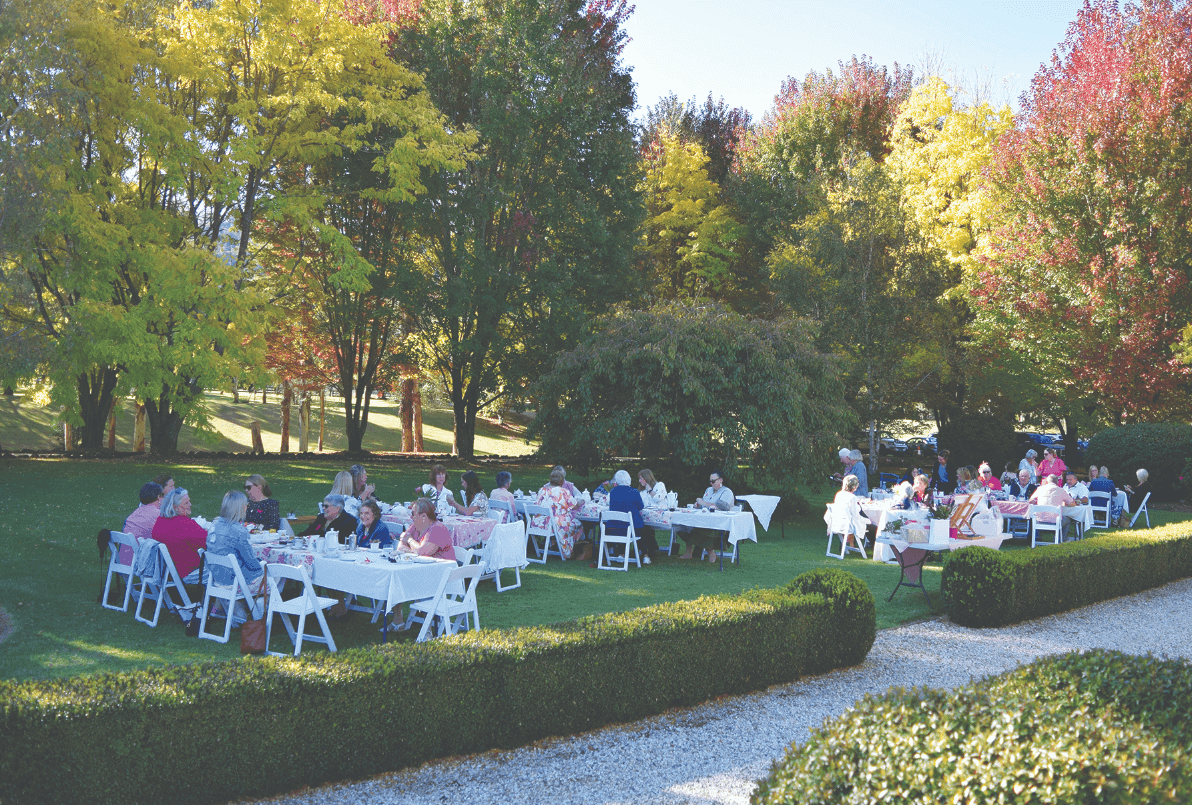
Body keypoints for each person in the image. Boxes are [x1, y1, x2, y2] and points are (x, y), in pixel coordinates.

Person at [205, 490, 264, 619]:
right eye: (246, 505)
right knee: (274, 576)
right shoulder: (239, 531)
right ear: (241, 507)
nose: (247, 508)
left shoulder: (214, 525)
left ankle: (221, 609)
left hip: (217, 579)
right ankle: (260, 615)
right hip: (234, 582)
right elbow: (251, 563)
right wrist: (262, 565)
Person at [150, 487, 207, 583]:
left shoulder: (160, 522)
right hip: (190, 572)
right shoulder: (184, 524)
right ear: (175, 507)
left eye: (189, 501)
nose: (190, 504)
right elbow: (207, 542)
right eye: (186, 503)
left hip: (167, 572)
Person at [680, 471, 735, 562]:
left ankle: (711, 553)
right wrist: (698, 505)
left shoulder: (727, 492)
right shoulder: (708, 490)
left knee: (701, 528)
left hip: (720, 523)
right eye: (710, 481)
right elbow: (703, 505)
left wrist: (703, 503)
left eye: (713, 481)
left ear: (720, 480)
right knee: (684, 525)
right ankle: (688, 552)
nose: (711, 483)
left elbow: (722, 508)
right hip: (705, 519)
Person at [607, 469, 658, 563]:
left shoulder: (613, 492)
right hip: (632, 530)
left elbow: (610, 504)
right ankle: (645, 556)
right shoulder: (634, 491)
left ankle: (621, 554)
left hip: (614, 529)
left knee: (623, 525)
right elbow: (641, 506)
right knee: (641, 529)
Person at [532, 467, 583, 559]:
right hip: (554, 525)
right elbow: (575, 506)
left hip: (538, 523)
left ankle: (556, 546)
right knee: (578, 525)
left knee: (564, 522)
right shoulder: (563, 491)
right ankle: (567, 549)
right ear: (562, 481)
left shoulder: (542, 490)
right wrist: (582, 501)